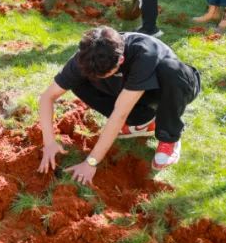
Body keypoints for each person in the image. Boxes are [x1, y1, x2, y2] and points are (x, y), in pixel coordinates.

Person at [36, 26, 201, 184]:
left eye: (105, 74)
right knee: (78, 82)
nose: (99, 78)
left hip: (167, 88)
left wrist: (91, 162)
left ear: (121, 60)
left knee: (171, 70)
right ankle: (143, 122)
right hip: (130, 88)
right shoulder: (86, 57)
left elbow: (119, 113)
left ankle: (169, 137)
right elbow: (47, 98)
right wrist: (49, 143)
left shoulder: (144, 53)